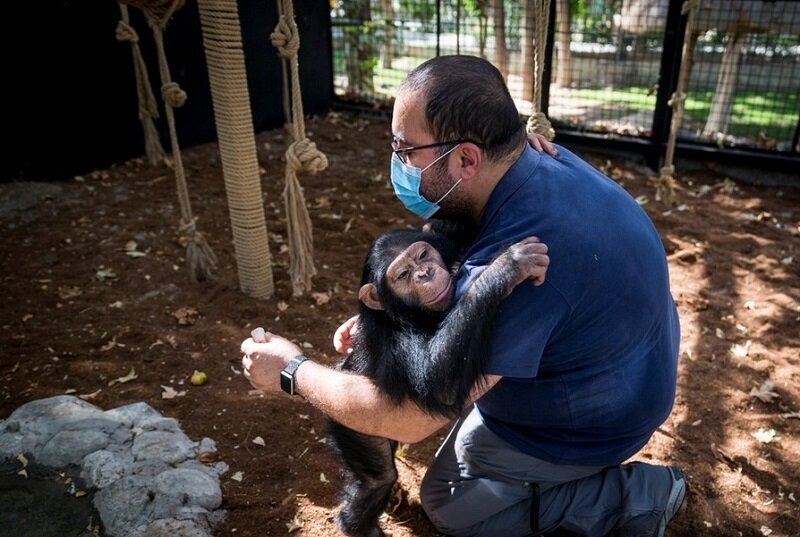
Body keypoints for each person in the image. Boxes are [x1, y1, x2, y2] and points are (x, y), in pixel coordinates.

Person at [241, 55, 684, 537]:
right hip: (634, 367)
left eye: (405, 149)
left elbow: (408, 420)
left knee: (450, 505)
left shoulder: (516, 266)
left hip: (589, 424)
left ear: (466, 159)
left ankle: (634, 495)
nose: (398, 163)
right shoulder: (541, 159)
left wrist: (291, 370)